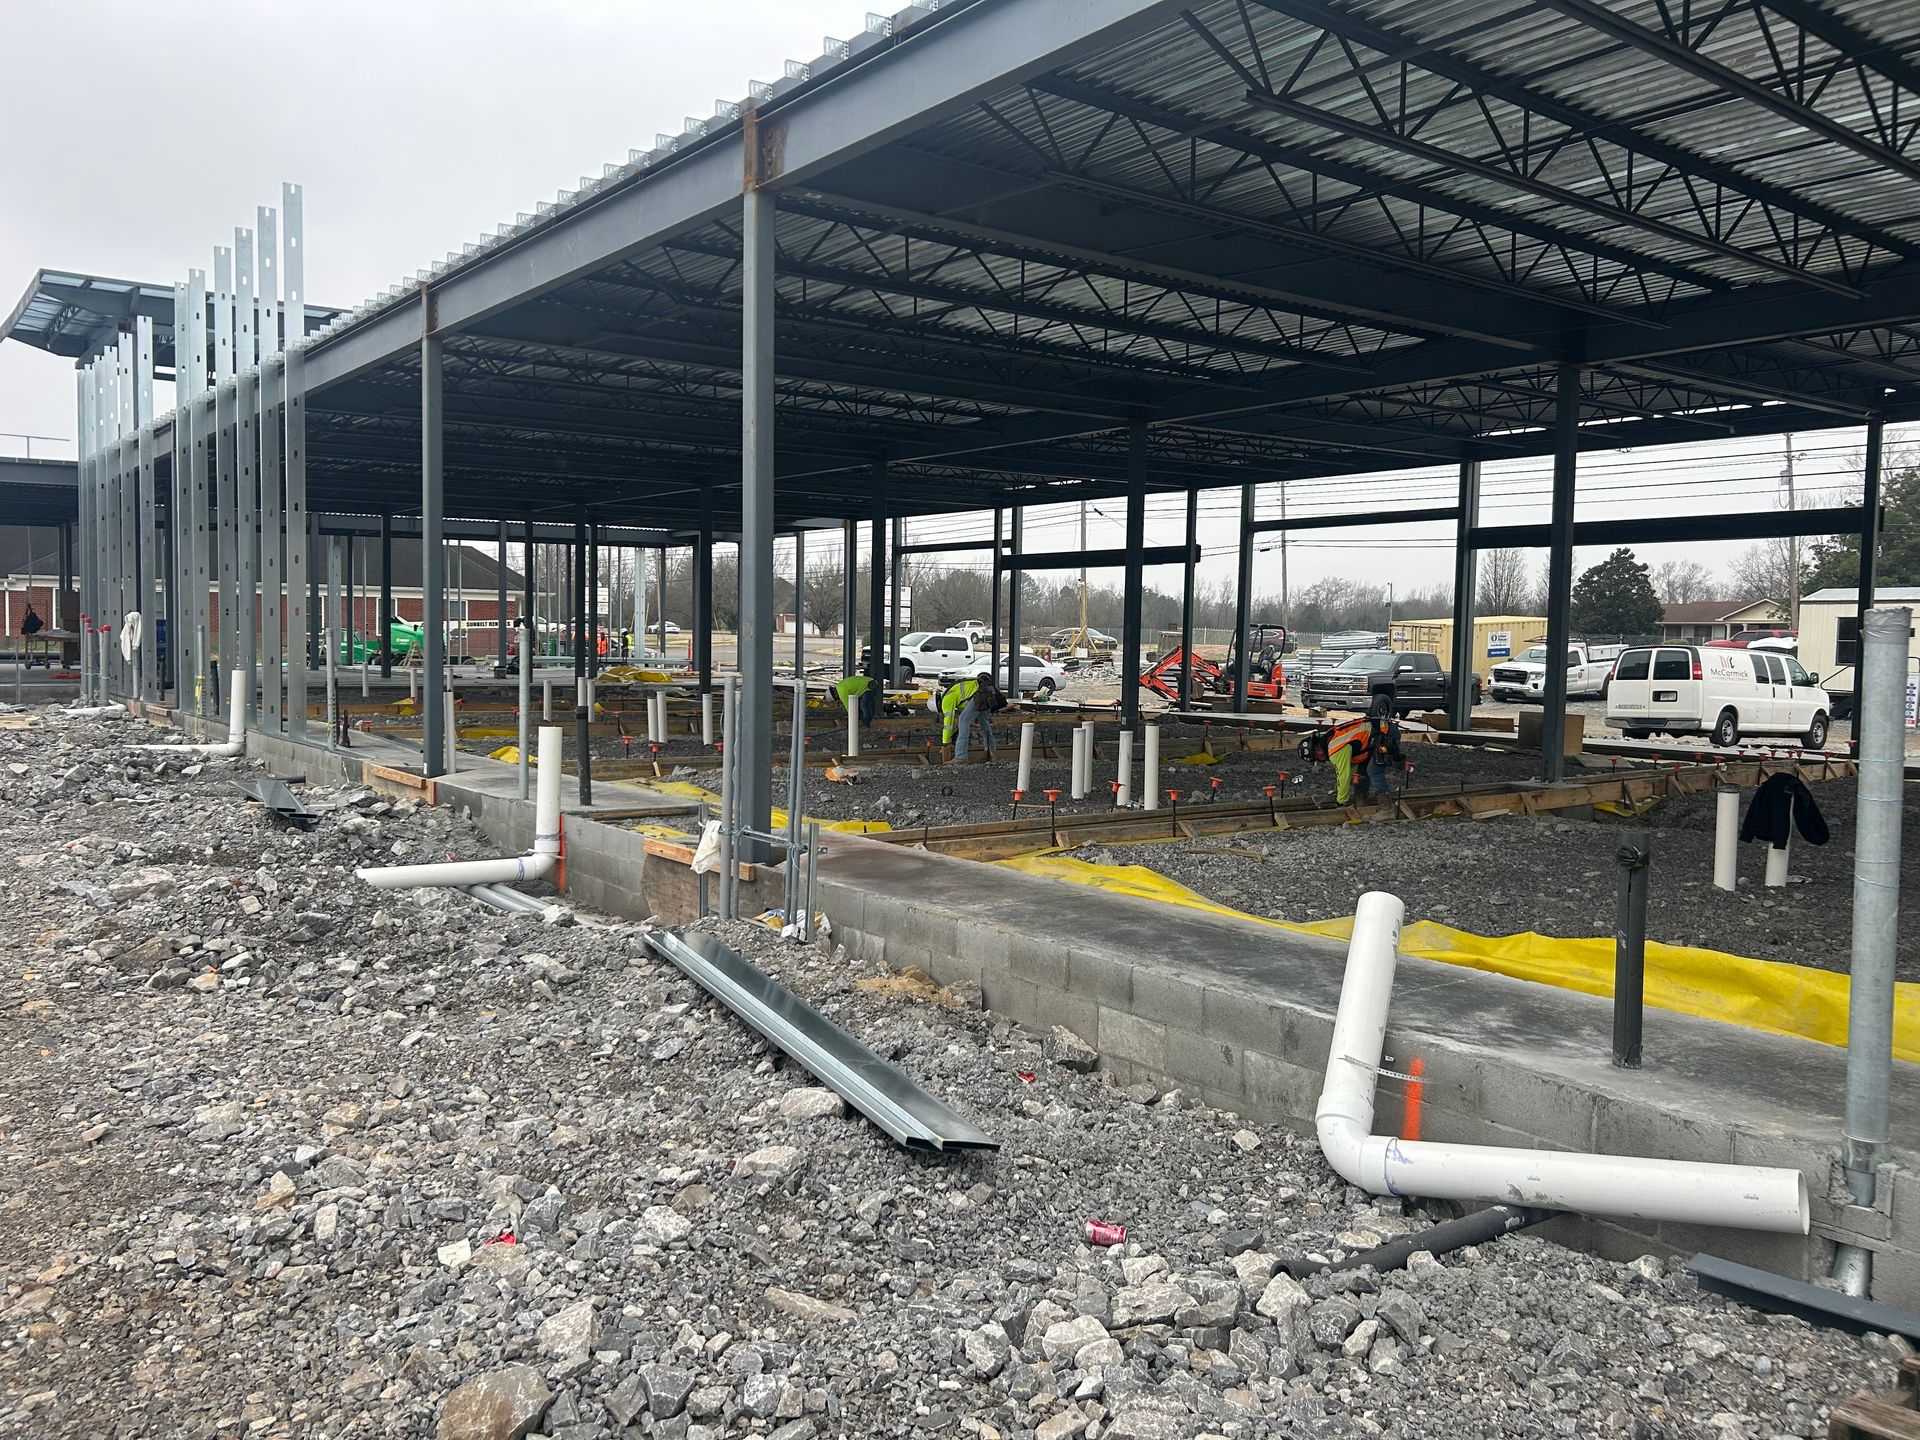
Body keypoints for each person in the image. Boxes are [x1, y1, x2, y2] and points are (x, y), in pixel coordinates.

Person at [1300, 693, 1403, 805]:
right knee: (1361, 771)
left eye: (1317, 759)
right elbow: (1349, 773)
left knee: (1374, 771)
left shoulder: (1334, 750)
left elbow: (1343, 776)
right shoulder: (1331, 739)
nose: (1321, 761)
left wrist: (1341, 801)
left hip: (1385, 734)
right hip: (1377, 736)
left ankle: (1386, 809)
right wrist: (1338, 790)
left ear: (1318, 751)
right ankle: (1361, 803)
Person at [944, 669, 999, 762]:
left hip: (980, 694)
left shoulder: (946, 700)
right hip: (989, 693)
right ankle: (992, 752)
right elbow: (968, 707)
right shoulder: (955, 690)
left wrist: (945, 742)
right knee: (984, 723)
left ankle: (960, 756)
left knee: (963, 720)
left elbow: (948, 724)